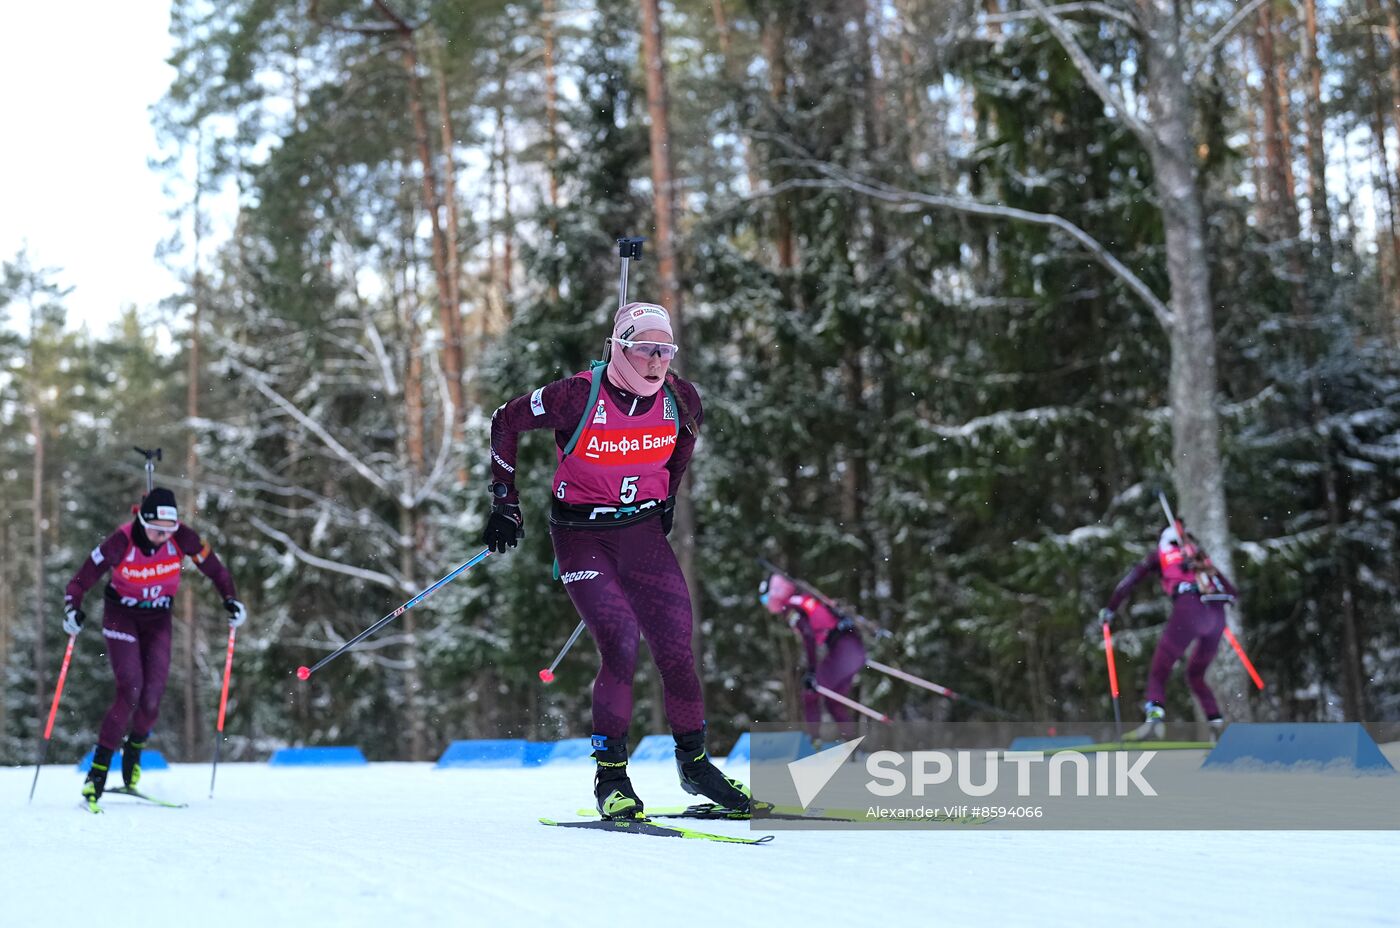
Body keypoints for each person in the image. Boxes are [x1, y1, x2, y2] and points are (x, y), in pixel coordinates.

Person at [482, 301, 750, 819]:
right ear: (619, 348)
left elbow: (682, 450)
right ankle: (612, 778)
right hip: (582, 534)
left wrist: (666, 499)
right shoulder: (577, 394)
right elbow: (504, 420)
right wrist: (504, 503)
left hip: (642, 532)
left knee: (676, 647)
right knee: (621, 644)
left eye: (665, 350)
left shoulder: (681, 399)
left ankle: (694, 764)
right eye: (644, 348)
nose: (656, 361)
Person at [63, 487, 245, 806]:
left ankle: (133, 755)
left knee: (151, 698)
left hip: (158, 618)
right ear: (142, 520)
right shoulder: (121, 542)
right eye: (156, 531)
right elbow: (81, 579)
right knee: (131, 689)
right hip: (121, 616)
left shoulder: (182, 538)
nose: (163, 537)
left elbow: (214, 568)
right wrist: (71, 608)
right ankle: (98, 774)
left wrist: (230, 599)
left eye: (168, 531)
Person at [1099, 523, 1238, 741]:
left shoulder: (1161, 554)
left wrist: (1110, 608)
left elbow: (1130, 580)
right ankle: (1217, 726)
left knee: (1159, 670)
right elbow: (1232, 593)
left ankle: (1155, 720)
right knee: (1195, 675)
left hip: (1189, 609)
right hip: (1216, 615)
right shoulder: (1199, 558)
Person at [760, 571, 867, 744]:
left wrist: (811, 671)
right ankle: (853, 745)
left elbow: (808, 635)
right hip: (853, 647)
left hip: (844, 649)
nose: (766, 605)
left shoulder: (791, 607)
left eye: (765, 600)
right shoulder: (803, 600)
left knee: (810, 693)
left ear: (775, 594)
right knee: (833, 700)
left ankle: (813, 742)